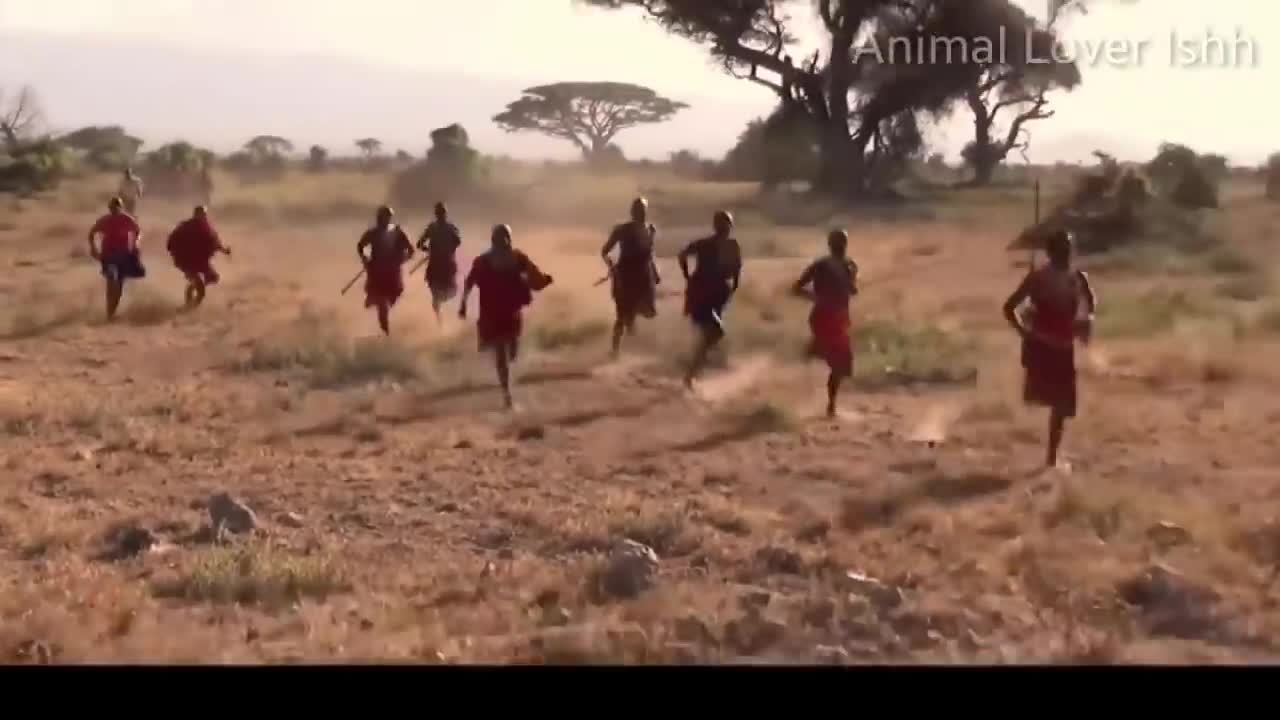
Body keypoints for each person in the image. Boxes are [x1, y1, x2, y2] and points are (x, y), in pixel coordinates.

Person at [1002, 229, 1097, 470]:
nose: (1066, 253)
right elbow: (1009, 307)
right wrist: (1024, 331)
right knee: (1057, 402)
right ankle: (1052, 458)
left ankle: (1052, 457)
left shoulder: (1077, 278)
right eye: (1061, 249)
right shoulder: (1038, 278)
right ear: (1051, 252)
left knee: (1062, 405)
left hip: (1064, 347)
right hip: (1044, 346)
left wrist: (1085, 322)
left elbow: (1090, 303)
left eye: (1069, 249)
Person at [459, 224, 553, 409]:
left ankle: (504, 381)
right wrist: (463, 304)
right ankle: (506, 392)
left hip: (508, 314)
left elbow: (536, 279)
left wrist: (544, 281)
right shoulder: (484, 261)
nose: (503, 241)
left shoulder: (517, 258)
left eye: (505, 238)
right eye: (500, 238)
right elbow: (469, 282)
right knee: (503, 352)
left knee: (510, 352)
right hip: (495, 314)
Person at [793, 229, 859, 418]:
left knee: (842, 364)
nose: (841, 247)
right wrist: (818, 298)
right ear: (831, 245)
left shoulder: (848, 266)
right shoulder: (822, 266)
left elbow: (852, 290)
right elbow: (797, 288)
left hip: (836, 316)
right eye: (838, 243)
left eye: (843, 243)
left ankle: (814, 350)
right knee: (841, 363)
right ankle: (831, 406)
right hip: (826, 316)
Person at [678, 210, 742, 389]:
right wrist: (687, 276)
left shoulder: (732, 246)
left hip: (718, 295)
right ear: (715, 226)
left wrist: (733, 287)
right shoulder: (705, 244)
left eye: (727, 225)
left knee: (710, 335)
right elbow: (682, 254)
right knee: (715, 333)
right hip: (702, 295)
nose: (724, 228)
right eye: (721, 225)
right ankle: (691, 373)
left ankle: (698, 366)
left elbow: (737, 268)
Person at [601, 197, 660, 358]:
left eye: (643, 210)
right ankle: (615, 351)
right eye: (638, 210)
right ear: (632, 212)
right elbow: (604, 251)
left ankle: (631, 344)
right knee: (622, 315)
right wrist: (612, 267)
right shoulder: (622, 230)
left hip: (643, 277)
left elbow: (649, 254)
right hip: (625, 276)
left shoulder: (650, 229)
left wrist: (655, 272)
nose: (641, 214)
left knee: (645, 312)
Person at [357, 206, 414, 336]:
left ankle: (384, 329)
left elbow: (410, 251)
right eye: (381, 217)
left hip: (392, 276)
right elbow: (360, 246)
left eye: (385, 217)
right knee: (381, 305)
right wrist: (365, 258)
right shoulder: (372, 233)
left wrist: (401, 260)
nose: (382, 220)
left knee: (386, 303)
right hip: (376, 274)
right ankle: (385, 332)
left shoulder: (397, 232)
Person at [87, 197, 145, 321]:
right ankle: (109, 312)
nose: (114, 209)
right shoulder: (105, 220)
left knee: (119, 285)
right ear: (110, 208)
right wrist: (93, 248)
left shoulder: (127, 219)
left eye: (117, 207)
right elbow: (91, 233)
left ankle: (112, 312)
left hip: (124, 255)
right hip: (108, 255)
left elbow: (138, 231)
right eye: (112, 207)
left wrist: (136, 242)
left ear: (121, 207)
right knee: (111, 281)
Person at [167, 206, 230, 309]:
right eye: (201, 214)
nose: (203, 217)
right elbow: (171, 241)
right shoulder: (185, 226)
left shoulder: (205, 227)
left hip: (200, 260)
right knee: (200, 287)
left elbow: (214, 241)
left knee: (213, 278)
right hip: (186, 261)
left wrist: (224, 250)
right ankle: (189, 305)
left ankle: (192, 290)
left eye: (203, 215)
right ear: (196, 214)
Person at [417, 202, 462, 321]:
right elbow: (420, 244)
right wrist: (429, 250)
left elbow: (457, 241)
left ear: (445, 214)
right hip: (435, 266)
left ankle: (446, 309)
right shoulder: (432, 228)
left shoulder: (451, 228)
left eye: (442, 213)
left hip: (447, 264)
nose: (441, 215)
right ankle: (440, 321)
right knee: (435, 296)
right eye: (439, 213)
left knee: (452, 292)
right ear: (436, 214)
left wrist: (448, 249)